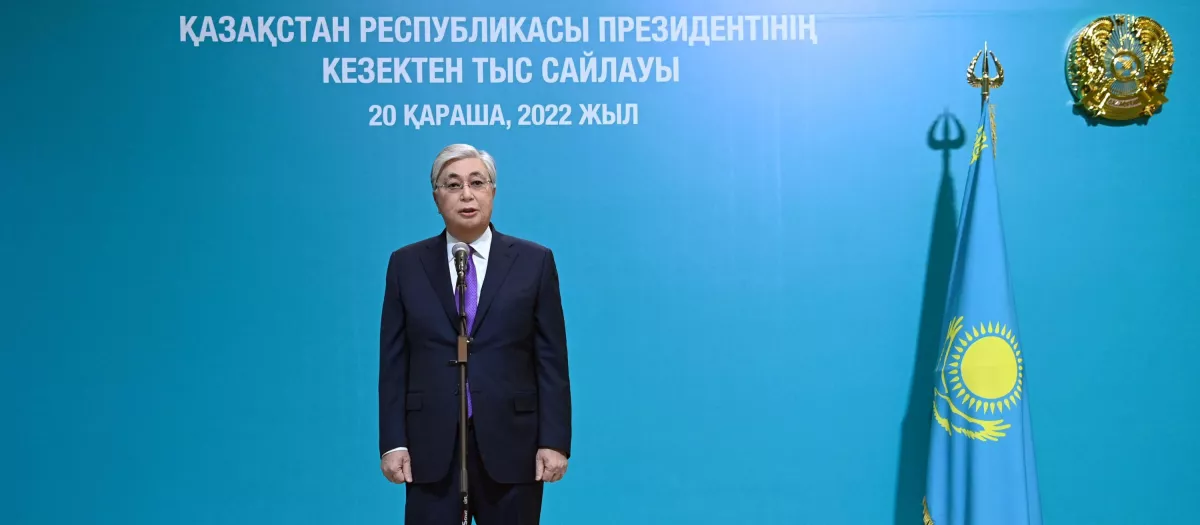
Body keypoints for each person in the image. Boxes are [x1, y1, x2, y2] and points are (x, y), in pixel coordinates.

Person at [377, 143, 572, 524]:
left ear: (492, 192)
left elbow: (551, 360)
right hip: (430, 446)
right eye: (453, 185)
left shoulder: (534, 262)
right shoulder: (405, 264)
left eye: (477, 182)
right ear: (436, 198)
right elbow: (394, 361)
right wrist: (393, 443)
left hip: (514, 444)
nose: (466, 194)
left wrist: (554, 441)